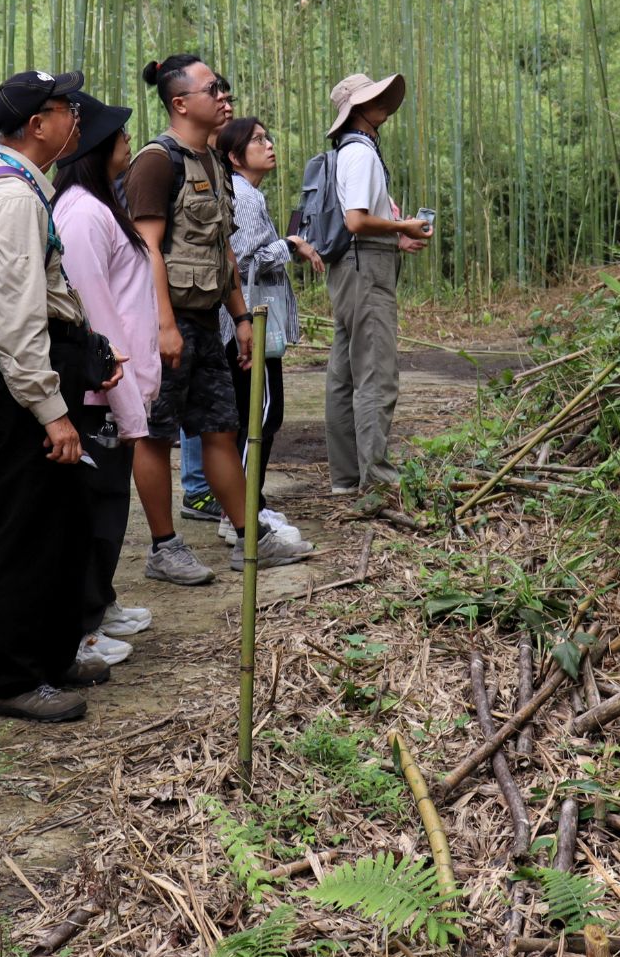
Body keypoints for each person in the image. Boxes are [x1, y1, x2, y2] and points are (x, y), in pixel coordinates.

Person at [0, 69, 119, 722]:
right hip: (24, 380)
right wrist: (51, 411)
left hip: (41, 368)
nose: (74, 120)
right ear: (37, 125)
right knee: (25, 528)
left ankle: (53, 653)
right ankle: (11, 676)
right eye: (64, 109)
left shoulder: (23, 188)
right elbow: (20, 321)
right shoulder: (13, 199)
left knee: (59, 520)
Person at [128, 55, 313, 572]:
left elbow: (223, 250)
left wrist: (243, 317)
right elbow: (148, 250)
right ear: (181, 102)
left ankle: (248, 535)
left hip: (210, 321)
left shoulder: (211, 161)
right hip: (168, 324)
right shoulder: (156, 161)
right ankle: (165, 547)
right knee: (157, 433)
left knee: (220, 429)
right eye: (214, 88)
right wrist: (164, 325)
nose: (224, 95)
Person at [51, 91, 165, 666]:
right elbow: (94, 309)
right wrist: (123, 394)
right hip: (101, 388)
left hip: (117, 384)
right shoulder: (83, 212)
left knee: (108, 510)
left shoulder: (100, 205)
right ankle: (80, 627)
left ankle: (95, 610)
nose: (129, 145)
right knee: (95, 514)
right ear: (99, 149)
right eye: (121, 138)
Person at [322, 72, 431, 517]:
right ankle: (376, 482)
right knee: (376, 375)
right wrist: (401, 226)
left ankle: (347, 479)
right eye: (374, 97)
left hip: (351, 267)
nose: (384, 102)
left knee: (344, 373)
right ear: (358, 110)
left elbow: (361, 221)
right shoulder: (361, 154)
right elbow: (356, 220)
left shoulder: (346, 153)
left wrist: (396, 237)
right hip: (366, 269)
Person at [214, 115, 322, 548]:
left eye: (268, 137)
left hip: (255, 324)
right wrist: (291, 245)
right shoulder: (241, 196)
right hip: (246, 326)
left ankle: (249, 503)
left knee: (259, 415)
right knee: (258, 416)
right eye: (258, 140)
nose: (270, 144)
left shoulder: (247, 193)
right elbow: (239, 260)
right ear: (235, 156)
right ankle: (239, 514)